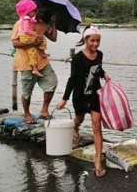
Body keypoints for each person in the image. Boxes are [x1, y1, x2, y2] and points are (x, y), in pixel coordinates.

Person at [57, 25, 111, 178]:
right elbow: (72, 79)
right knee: (79, 119)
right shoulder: (78, 58)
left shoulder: (99, 54)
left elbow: (97, 68)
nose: (95, 44)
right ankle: (75, 127)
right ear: (86, 39)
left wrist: (104, 73)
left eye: (98, 41)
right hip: (80, 96)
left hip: (95, 95)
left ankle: (97, 163)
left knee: (97, 127)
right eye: (92, 40)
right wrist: (64, 99)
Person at [11, 4, 58, 123]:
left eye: (42, 13)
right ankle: (27, 113)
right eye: (39, 12)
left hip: (42, 61)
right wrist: (34, 43)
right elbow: (15, 43)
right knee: (27, 90)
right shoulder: (20, 23)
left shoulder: (42, 24)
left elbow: (53, 38)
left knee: (52, 83)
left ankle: (44, 110)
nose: (40, 14)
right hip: (26, 62)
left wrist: (53, 23)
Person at [15, 0, 48, 77]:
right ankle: (35, 66)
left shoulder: (28, 19)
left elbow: (53, 38)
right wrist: (35, 34)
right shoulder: (24, 20)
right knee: (40, 40)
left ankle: (35, 66)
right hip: (26, 37)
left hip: (27, 37)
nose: (35, 13)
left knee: (33, 50)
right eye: (33, 11)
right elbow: (26, 30)